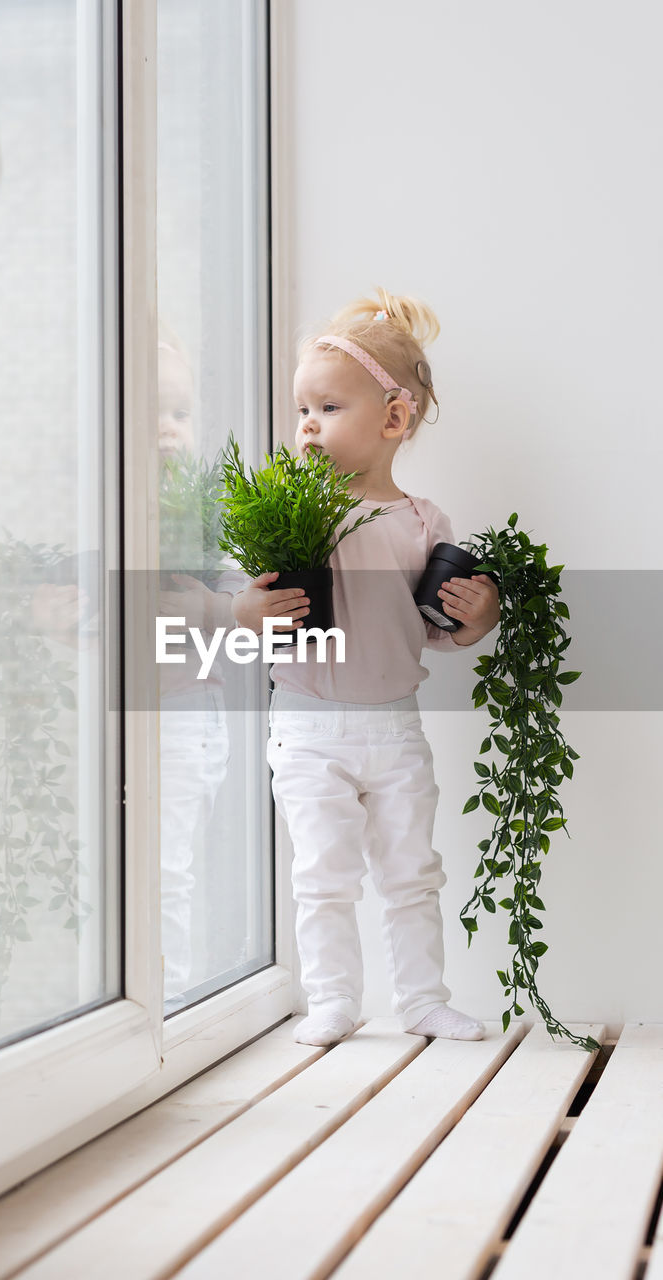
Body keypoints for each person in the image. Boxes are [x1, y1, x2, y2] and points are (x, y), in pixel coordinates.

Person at [232, 287, 500, 1046]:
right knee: (322, 875)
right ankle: (333, 1001)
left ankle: (420, 1001)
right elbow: (245, 600)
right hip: (308, 727)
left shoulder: (422, 522)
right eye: (301, 410)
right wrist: (242, 613)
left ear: (393, 418)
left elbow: (438, 627)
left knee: (412, 871)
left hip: (393, 729)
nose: (306, 426)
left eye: (327, 408)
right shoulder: (288, 510)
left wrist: (477, 618)